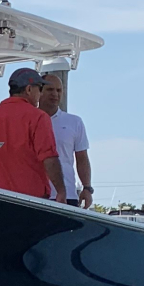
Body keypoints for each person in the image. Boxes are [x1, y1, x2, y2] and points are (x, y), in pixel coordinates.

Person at [0, 67, 63, 199]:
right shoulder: (38, 117)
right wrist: (61, 191)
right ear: (29, 89)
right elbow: (49, 157)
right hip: (32, 200)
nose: (40, 94)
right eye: (40, 88)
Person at [37, 71, 93, 207]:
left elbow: (82, 158)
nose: (55, 94)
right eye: (50, 89)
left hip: (67, 195)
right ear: (39, 91)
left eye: (59, 90)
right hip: (35, 194)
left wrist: (87, 187)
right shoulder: (27, 120)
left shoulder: (74, 122)